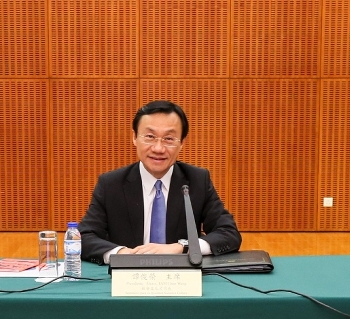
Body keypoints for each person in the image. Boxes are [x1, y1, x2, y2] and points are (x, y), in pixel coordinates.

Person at [79, 100, 241, 264]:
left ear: (182, 143)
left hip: (180, 276)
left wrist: (182, 247)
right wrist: (121, 254)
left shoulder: (197, 180)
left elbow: (229, 233)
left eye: (169, 139)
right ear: (134, 137)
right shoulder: (111, 184)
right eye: (150, 137)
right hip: (127, 275)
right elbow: (84, 236)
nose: (158, 148)